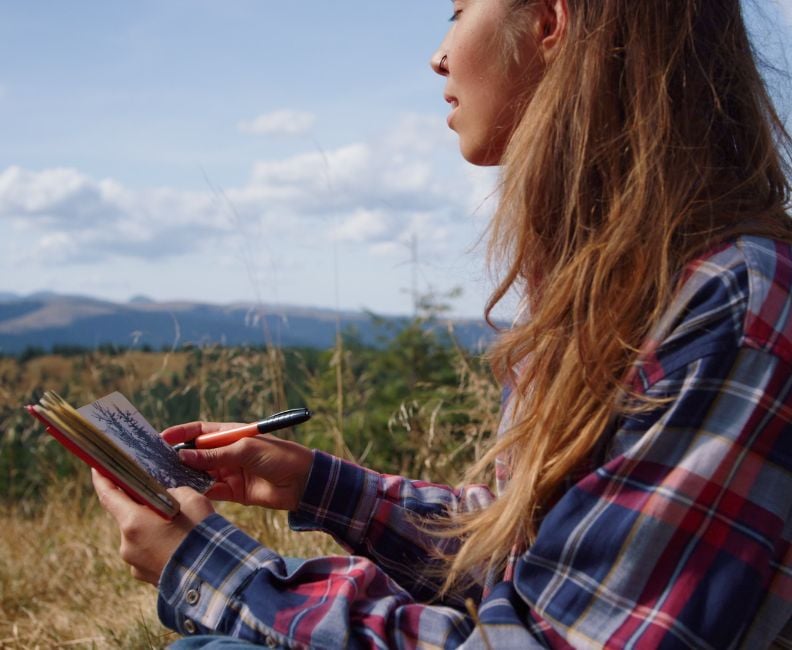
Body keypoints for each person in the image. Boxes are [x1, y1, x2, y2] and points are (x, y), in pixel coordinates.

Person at [92, 0, 792, 647]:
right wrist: (318, 485)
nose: (439, 55)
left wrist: (212, 567)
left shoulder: (728, 303)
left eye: (458, 11)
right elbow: (538, 560)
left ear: (550, 23)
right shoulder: (626, 286)